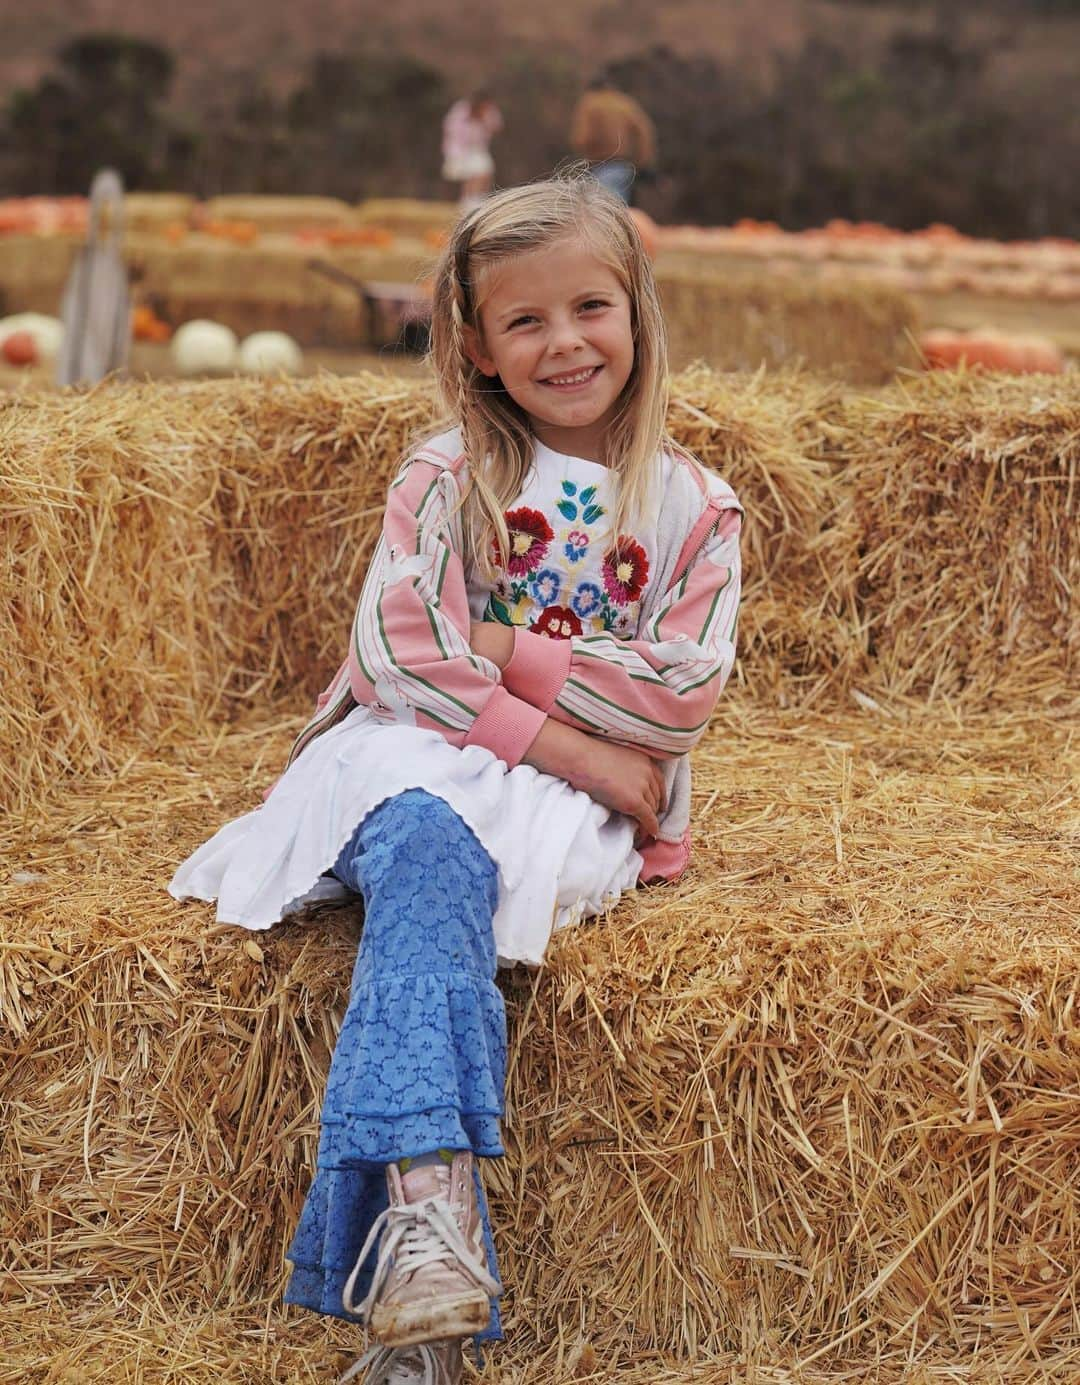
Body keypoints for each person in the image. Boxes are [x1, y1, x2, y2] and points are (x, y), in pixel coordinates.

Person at [169, 173, 742, 1385]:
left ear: (638, 312)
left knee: (450, 871)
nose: (564, 341)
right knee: (428, 843)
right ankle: (428, 1232)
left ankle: (412, 1284)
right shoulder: (444, 474)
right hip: (416, 756)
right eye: (523, 320)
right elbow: (399, 653)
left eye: (590, 306)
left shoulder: (694, 510)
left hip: (558, 804)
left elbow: (681, 691)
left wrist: (501, 646)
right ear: (475, 346)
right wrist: (580, 734)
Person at [570, 76, 657, 205]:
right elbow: (645, 131)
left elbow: (581, 137)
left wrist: (584, 157)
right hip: (623, 165)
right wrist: (642, 162)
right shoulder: (624, 102)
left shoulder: (590, 103)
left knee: (603, 211)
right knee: (617, 208)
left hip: (600, 164)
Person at [441, 92, 502, 212]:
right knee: (473, 176)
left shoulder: (489, 112)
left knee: (485, 173)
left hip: (478, 149)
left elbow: (497, 126)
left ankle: (475, 201)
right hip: (460, 150)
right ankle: (468, 203)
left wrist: (486, 121)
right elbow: (451, 130)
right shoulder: (461, 110)